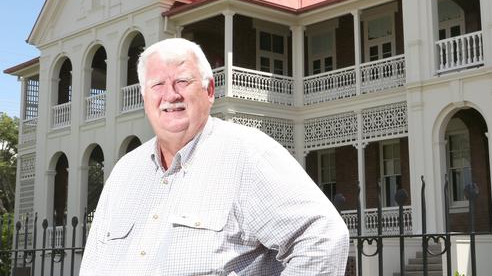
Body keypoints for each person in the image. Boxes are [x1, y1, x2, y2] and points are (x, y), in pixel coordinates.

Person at [80, 38, 349, 275]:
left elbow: (324, 237)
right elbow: (93, 264)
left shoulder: (247, 154)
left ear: (209, 91)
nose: (170, 95)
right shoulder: (125, 171)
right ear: (144, 98)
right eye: (157, 84)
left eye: (183, 81)